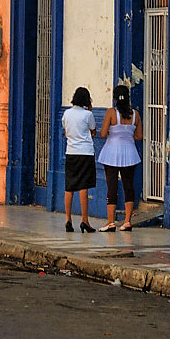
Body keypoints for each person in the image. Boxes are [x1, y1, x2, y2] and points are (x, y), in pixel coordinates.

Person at [97, 84, 142, 232]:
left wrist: (113, 132)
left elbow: (103, 134)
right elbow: (139, 136)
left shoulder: (111, 113)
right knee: (129, 186)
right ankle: (127, 221)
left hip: (111, 153)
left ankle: (111, 222)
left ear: (115, 98)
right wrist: (128, 134)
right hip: (130, 153)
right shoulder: (135, 114)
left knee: (112, 187)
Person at [62, 87, 97, 233]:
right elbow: (93, 131)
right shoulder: (88, 115)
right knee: (84, 186)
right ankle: (85, 220)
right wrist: (90, 109)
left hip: (71, 152)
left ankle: (68, 220)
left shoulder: (66, 113)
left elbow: (65, 131)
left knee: (69, 187)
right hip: (86, 153)